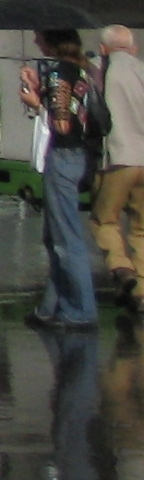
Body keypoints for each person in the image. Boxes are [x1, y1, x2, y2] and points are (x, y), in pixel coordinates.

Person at [21, 28, 100, 331]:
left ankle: (80, 311)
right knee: (54, 236)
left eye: (40, 37)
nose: (36, 40)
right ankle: (51, 306)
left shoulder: (60, 73)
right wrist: (39, 87)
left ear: (52, 41)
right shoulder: (80, 69)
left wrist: (35, 103)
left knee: (65, 239)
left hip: (64, 157)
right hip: (79, 156)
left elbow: (62, 124)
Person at [90, 24, 144, 316]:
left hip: (117, 160)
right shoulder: (142, 69)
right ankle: (142, 292)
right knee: (142, 228)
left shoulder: (99, 69)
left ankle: (121, 268)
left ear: (103, 49)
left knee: (104, 220)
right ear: (133, 48)